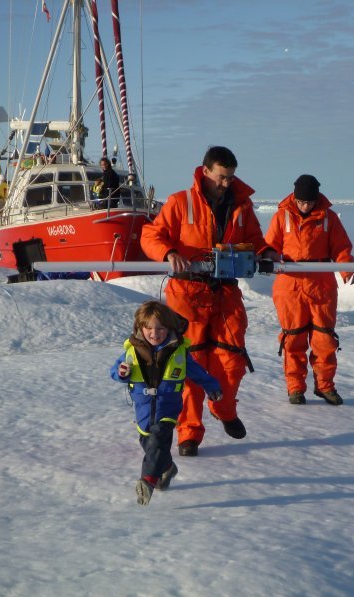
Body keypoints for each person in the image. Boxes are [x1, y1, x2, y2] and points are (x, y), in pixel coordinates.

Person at [140, 146, 279, 456]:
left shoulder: (241, 205)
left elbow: (255, 240)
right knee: (190, 366)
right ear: (205, 172)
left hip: (226, 293)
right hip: (187, 295)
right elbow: (151, 235)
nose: (226, 183)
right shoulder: (180, 202)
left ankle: (224, 409)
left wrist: (266, 252)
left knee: (232, 361)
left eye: (230, 177)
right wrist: (169, 253)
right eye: (221, 177)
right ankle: (189, 433)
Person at [110, 300, 222, 505]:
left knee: (158, 439)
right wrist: (121, 373)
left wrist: (212, 387)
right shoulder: (132, 351)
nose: (155, 333)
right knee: (147, 442)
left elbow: (198, 372)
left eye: (160, 328)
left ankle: (148, 480)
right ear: (140, 328)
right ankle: (167, 468)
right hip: (143, 409)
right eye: (149, 328)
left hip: (168, 406)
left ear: (169, 328)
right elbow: (115, 371)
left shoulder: (177, 351)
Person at [264, 174, 354, 406]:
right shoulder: (281, 217)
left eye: (309, 202)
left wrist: (346, 269)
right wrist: (268, 257)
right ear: (294, 197)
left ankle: (325, 387)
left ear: (317, 199)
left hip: (321, 284)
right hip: (289, 286)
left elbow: (342, 247)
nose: (305, 206)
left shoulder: (329, 218)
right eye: (301, 202)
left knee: (324, 339)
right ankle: (295, 388)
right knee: (293, 340)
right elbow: (268, 246)